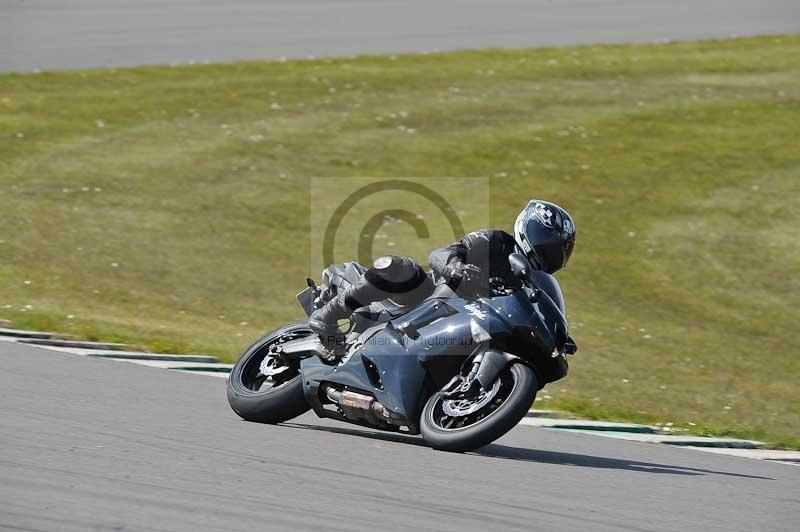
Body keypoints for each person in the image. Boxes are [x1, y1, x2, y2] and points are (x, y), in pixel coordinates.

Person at [308, 199, 576, 340]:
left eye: (557, 251)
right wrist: (455, 268)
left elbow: (539, 311)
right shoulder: (496, 242)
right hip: (424, 298)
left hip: (464, 326)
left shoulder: (533, 283)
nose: (549, 254)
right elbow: (441, 254)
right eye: (548, 245)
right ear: (531, 232)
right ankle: (327, 315)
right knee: (398, 267)